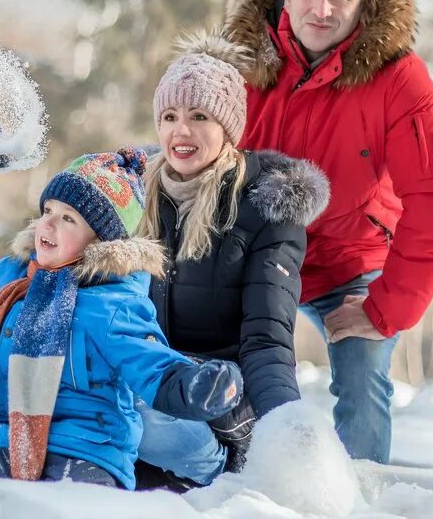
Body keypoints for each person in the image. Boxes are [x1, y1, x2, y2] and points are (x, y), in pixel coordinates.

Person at [218, 0, 433, 463]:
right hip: (256, 257)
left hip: (351, 262)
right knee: (219, 368)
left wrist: (385, 310)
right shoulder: (240, 62)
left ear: (364, 4)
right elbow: (189, 156)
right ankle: (227, 482)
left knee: (362, 379)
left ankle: (358, 505)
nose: (321, 8)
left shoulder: (399, 79)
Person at [0, 127, 244, 490]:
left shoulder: (114, 305)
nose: (49, 223)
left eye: (69, 218)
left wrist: (196, 388)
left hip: (88, 451)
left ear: (101, 241)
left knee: (69, 514)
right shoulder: (7, 284)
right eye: (48, 210)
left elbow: (153, 367)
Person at [134, 36, 329, 488]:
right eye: (169, 117)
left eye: (199, 117)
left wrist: (285, 432)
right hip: (147, 375)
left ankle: (211, 466)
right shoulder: (133, 194)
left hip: (221, 394)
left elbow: (267, 341)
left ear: (228, 129)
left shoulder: (265, 209)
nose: (180, 132)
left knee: (162, 410)